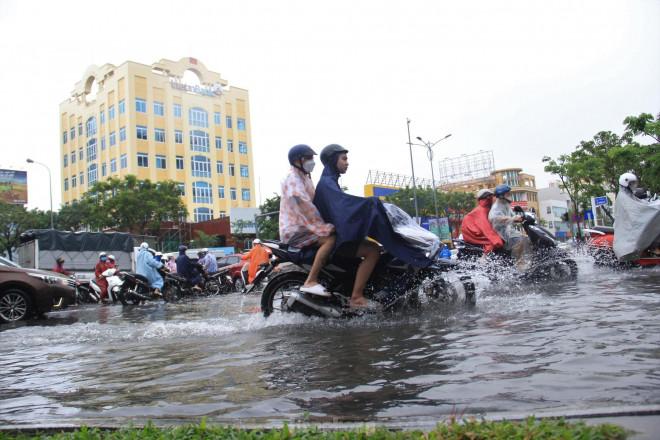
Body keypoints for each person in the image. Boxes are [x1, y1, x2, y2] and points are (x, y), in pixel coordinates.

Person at [314, 144, 435, 310]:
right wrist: (371, 203)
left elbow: (345, 204)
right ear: (333, 160)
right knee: (373, 250)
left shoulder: (330, 181)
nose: (347, 163)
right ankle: (356, 297)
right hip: (335, 241)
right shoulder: (327, 183)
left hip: (335, 237)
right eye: (344, 159)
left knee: (379, 250)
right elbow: (343, 208)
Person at [279, 144, 336, 297]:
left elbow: (316, 201)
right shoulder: (292, 179)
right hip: (294, 228)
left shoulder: (304, 177)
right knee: (329, 239)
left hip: (303, 225)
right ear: (297, 161)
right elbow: (305, 207)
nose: (312, 161)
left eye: (312, 158)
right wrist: (324, 227)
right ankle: (311, 281)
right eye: (308, 158)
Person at [613, 173, 660, 260]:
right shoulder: (623, 197)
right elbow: (636, 210)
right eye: (632, 183)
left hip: (634, 221)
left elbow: (641, 204)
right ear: (626, 183)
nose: (634, 185)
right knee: (655, 222)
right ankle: (653, 247)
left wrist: (655, 204)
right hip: (632, 223)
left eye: (635, 183)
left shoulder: (628, 194)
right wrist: (655, 207)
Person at [487, 184, 532, 269]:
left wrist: (520, 217)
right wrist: (511, 219)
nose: (509, 195)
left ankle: (530, 261)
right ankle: (518, 263)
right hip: (503, 234)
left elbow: (513, 216)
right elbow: (494, 217)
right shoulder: (496, 207)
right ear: (501, 195)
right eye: (507, 193)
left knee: (528, 238)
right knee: (520, 239)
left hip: (510, 231)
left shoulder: (506, 205)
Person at [461, 189, 504, 257]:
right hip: (474, 235)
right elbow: (486, 228)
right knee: (495, 241)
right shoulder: (482, 211)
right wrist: (496, 239)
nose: (491, 200)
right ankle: (484, 258)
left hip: (473, 235)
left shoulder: (487, 210)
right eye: (489, 198)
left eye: (492, 198)